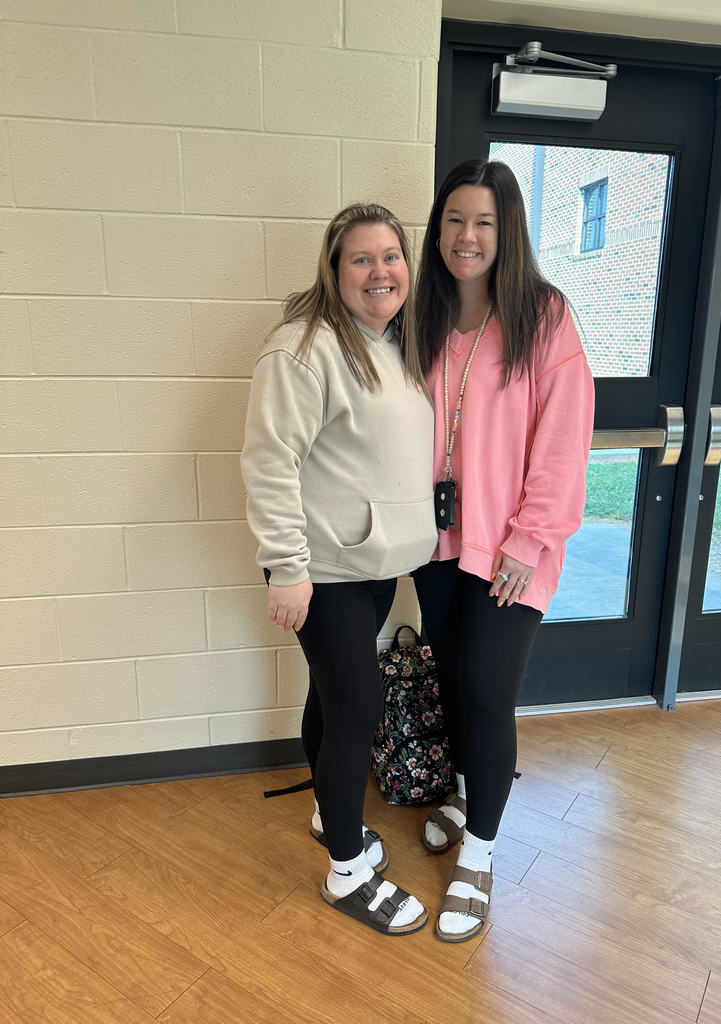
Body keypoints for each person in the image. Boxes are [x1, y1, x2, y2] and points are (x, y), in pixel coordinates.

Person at [241, 203, 437, 936]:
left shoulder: (391, 343)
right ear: (334, 270)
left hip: (372, 566)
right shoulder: (304, 348)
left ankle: (332, 817)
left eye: (391, 256)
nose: (379, 271)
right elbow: (269, 461)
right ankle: (348, 875)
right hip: (322, 572)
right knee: (360, 708)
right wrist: (285, 567)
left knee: (334, 700)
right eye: (361, 258)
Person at [412, 160, 594, 942]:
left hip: (514, 546)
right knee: (451, 676)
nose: (467, 235)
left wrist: (529, 537)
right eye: (455, 219)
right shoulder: (421, 314)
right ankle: (460, 790)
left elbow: (563, 438)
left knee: (487, 691)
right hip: (435, 541)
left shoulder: (543, 316)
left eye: (484, 221)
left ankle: (480, 857)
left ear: (507, 230)